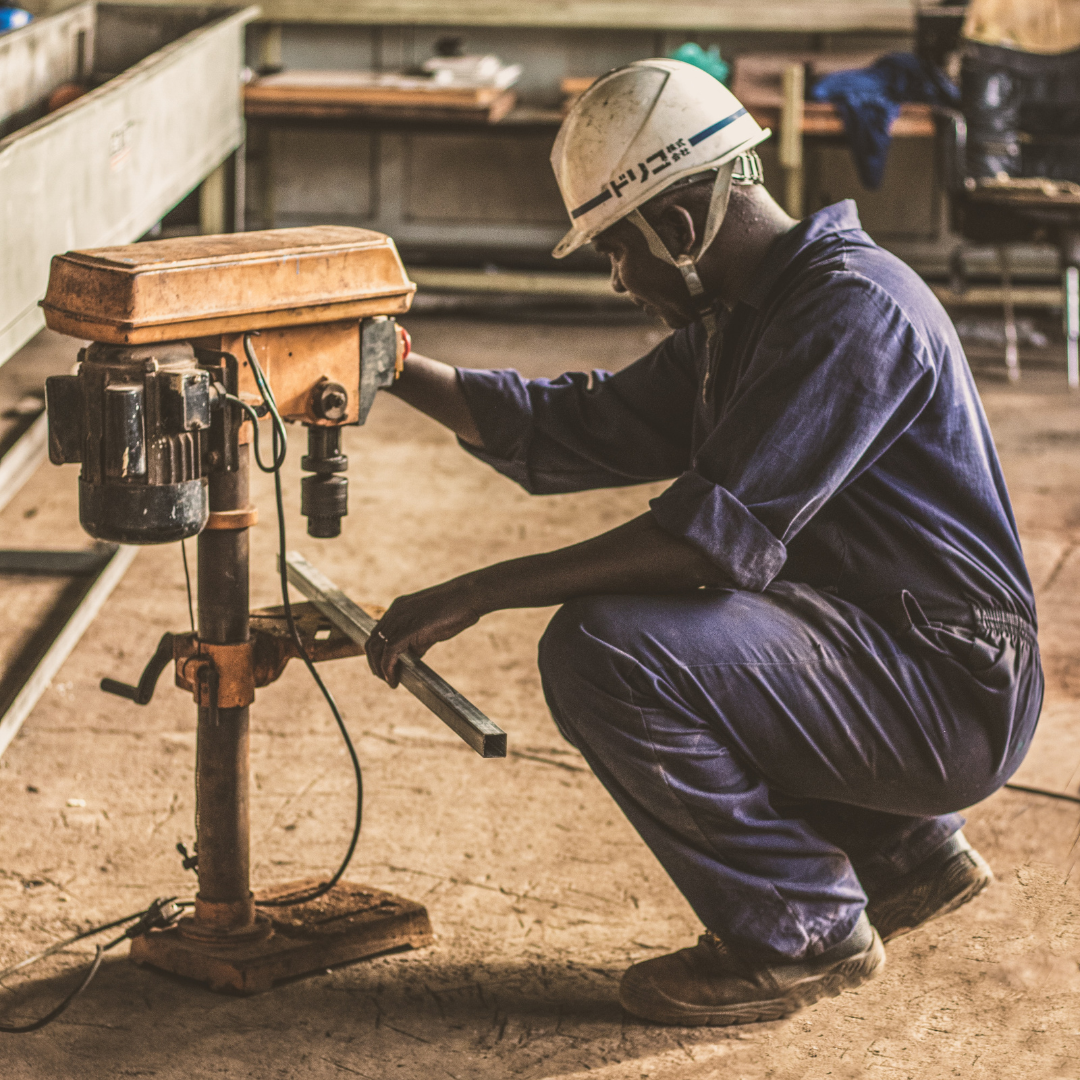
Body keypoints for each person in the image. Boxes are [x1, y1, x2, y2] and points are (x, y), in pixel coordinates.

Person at [364, 60, 1043, 1026]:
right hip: (899, 659)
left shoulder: (852, 310)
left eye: (615, 251)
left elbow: (708, 544)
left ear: (677, 228)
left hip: (954, 691)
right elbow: (576, 427)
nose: (618, 278)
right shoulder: (748, 318)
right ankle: (903, 852)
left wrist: (482, 587)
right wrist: (393, 365)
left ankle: (801, 931)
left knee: (609, 648)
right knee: (696, 633)